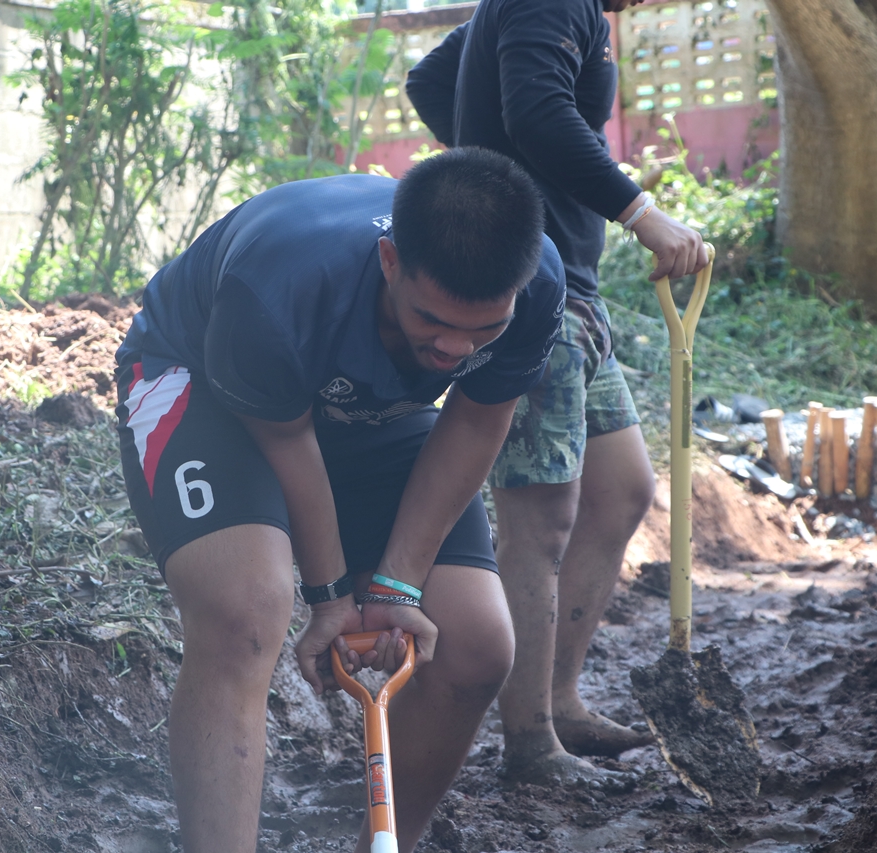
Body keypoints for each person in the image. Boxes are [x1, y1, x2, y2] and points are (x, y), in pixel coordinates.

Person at [114, 147, 566, 853]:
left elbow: (477, 417)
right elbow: (290, 442)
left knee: (477, 643)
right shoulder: (279, 284)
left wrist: (395, 583)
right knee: (246, 609)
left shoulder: (536, 287)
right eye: (432, 319)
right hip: (202, 382)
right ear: (390, 261)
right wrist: (330, 600)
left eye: (482, 331)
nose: (453, 349)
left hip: (361, 403)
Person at [406, 0, 710, 785]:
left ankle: (561, 700)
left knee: (621, 491)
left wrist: (493, 173)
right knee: (540, 518)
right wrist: (640, 212)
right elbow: (537, 110)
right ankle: (531, 740)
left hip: (572, 285)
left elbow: (435, 77)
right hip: (536, 293)